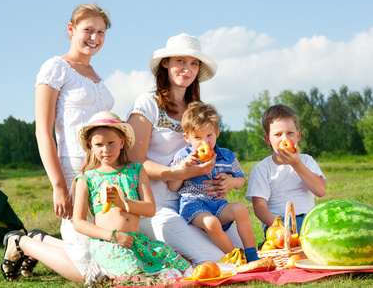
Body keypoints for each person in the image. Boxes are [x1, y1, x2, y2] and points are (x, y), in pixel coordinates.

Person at [0, 3, 113, 283]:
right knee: (90, 273)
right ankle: (22, 243)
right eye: (88, 30)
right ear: (71, 29)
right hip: (73, 171)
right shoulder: (56, 68)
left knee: (103, 255)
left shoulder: (97, 77)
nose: (95, 38)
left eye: (101, 32)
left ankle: (39, 239)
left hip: (102, 174)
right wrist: (59, 185)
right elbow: (43, 132)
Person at [127, 33, 243, 266]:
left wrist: (227, 179)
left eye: (193, 63)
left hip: (196, 201)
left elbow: (212, 151)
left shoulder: (196, 109)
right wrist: (179, 173)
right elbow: (134, 162)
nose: (187, 68)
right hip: (156, 205)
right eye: (180, 61)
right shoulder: (148, 103)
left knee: (240, 249)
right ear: (165, 63)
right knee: (220, 261)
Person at [72, 111, 191, 276]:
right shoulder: (87, 178)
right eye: (99, 144)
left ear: (122, 142)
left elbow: (150, 209)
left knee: (180, 264)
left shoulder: (136, 170)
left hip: (135, 240)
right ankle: (103, 269)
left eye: (111, 143)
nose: (106, 149)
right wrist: (113, 236)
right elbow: (78, 222)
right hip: (108, 242)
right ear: (90, 145)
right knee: (134, 273)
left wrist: (123, 203)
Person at [168, 102, 260, 262]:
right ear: (187, 137)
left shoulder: (227, 156)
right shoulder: (183, 157)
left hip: (218, 205)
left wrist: (231, 182)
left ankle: (252, 254)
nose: (204, 142)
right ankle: (237, 257)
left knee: (241, 209)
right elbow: (172, 186)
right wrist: (183, 168)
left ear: (217, 132)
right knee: (211, 223)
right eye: (197, 137)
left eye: (209, 135)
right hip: (193, 205)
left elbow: (240, 181)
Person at [245, 104, 326, 238]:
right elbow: (259, 208)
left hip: (308, 220)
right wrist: (279, 226)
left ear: (298, 135)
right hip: (277, 223)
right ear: (268, 139)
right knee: (284, 243)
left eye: (290, 133)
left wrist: (296, 163)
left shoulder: (306, 161)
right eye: (278, 134)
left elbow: (320, 191)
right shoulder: (262, 169)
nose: (285, 139)